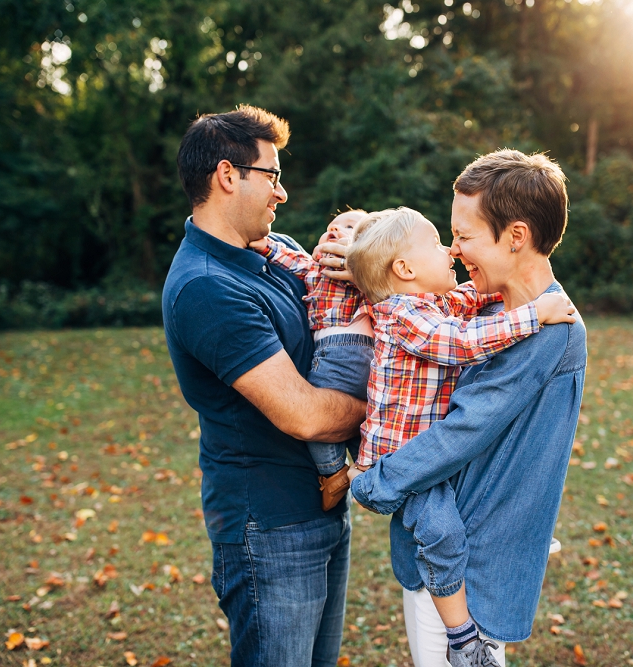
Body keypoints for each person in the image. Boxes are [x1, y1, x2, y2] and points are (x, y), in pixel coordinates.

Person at [349, 150, 588, 667]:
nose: (454, 252)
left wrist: (376, 480)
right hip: (437, 547)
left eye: (464, 236)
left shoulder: (548, 333)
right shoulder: (492, 309)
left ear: (516, 236)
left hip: (471, 561)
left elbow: (461, 432)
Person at [162, 105, 366, 667]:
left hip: (321, 508)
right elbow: (307, 416)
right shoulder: (206, 288)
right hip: (270, 531)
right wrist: (389, 402)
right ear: (228, 176)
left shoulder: (271, 257)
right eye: (272, 175)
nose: (282, 192)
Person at [250, 209, 373, 510]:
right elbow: (291, 258)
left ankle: (332, 472)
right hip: (369, 355)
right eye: (330, 227)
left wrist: (367, 265)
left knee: (320, 409)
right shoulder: (315, 268)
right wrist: (264, 245)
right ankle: (370, 467)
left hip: (337, 349)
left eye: (348, 227)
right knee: (361, 421)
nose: (334, 230)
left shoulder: (369, 271)